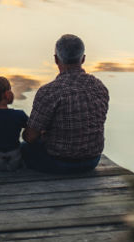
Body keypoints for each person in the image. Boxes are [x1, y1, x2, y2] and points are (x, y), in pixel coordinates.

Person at [22, 34, 109, 174]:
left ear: (56, 59)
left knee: (23, 148)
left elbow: (31, 137)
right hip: (92, 161)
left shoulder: (49, 92)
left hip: (58, 162)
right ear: (83, 59)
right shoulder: (99, 87)